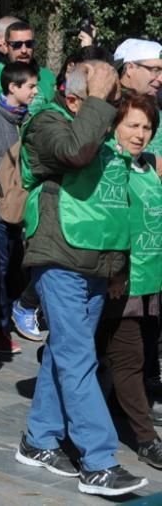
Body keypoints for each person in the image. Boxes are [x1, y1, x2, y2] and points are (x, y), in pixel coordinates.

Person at [14, 60, 147, 497]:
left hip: (95, 262)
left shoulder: (93, 124)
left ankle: (38, 439)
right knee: (77, 358)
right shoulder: (45, 122)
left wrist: (117, 266)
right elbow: (75, 152)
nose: (109, 108)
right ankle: (99, 462)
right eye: (102, 96)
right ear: (75, 96)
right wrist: (96, 100)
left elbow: (111, 203)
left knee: (65, 354)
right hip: (59, 257)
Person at [96, 93, 162, 470]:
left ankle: (114, 411)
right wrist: (116, 270)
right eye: (132, 126)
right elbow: (111, 221)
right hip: (122, 282)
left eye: (147, 127)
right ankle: (146, 440)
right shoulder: (110, 164)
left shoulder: (146, 165)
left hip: (150, 278)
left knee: (129, 356)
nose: (140, 134)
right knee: (128, 357)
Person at [0, 63, 39, 342]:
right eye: (30, 86)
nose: (35, 91)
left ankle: (8, 317)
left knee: (15, 267)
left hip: (21, 210)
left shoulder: (28, 119)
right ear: (12, 87)